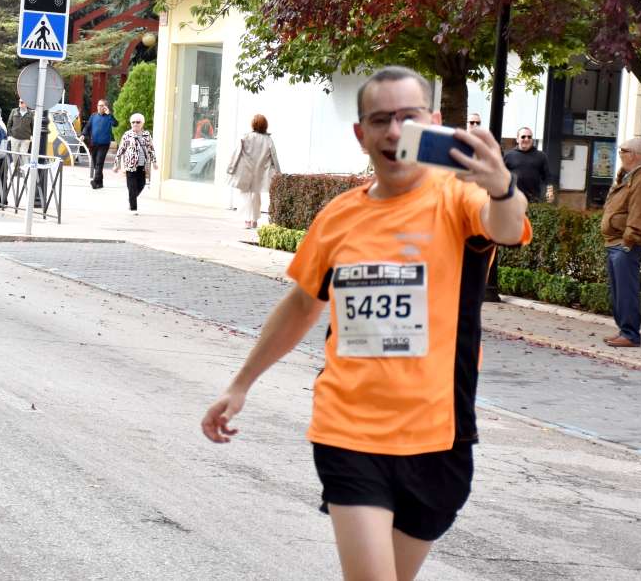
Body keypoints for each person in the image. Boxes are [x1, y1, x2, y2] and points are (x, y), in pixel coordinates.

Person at [201, 66, 530, 581]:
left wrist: (503, 187)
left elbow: (506, 228)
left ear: (434, 123)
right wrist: (240, 383)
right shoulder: (338, 217)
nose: (394, 132)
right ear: (361, 135)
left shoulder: (461, 200)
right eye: (380, 120)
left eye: (408, 118)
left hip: (439, 439)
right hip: (348, 428)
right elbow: (301, 305)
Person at [600, 137, 641, 348]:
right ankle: (624, 331)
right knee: (619, 290)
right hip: (616, 242)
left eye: (622, 152)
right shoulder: (631, 176)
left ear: (634, 155)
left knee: (626, 290)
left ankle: (630, 334)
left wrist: (628, 242)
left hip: (625, 244)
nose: (620, 156)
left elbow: (639, 214)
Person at [227, 114, 281, 228]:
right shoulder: (268, 139)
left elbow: (237, 153)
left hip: (246, 170)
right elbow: (274, 157)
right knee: (256, 196)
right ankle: (254, 220)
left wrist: (231, 168)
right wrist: (278, 173)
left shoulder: (246, 137)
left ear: (253, 124)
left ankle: (247, 220)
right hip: (261, 172)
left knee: (245, 195)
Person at [113, 113, 158, 213]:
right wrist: (116, 164)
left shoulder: (146, 135)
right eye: (133, 122)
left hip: (142, 166)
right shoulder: (127, 135)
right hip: (130, 166)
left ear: (142, 123)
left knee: (141, 184)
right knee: (132, 186)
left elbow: (151, 149)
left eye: (138, 122)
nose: (135, 124)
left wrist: (154, 162)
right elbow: (121, 150)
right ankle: (133, 208)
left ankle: (131, 198)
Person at [502, 126, 551, 203]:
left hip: (533, 201)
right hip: (513, 201)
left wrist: (550, 192)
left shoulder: (541, 156)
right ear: (517, 139)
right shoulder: (508, 156)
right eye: (523, 137)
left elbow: (547, 177)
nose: (526, 139)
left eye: (529, 137)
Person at [80, 99, 117, 189]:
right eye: (98, 105)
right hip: (94, 143)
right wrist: (83, 135)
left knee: (99, 163)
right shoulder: (93, 116)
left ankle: (95, 181)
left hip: (104, 144)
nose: (99, 107)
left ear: (105, 107)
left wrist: (110, 114)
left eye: (101, 105)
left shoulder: (109, 117)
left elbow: (116, 124)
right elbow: (87, 126)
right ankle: (100, 183)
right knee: (96, 162)